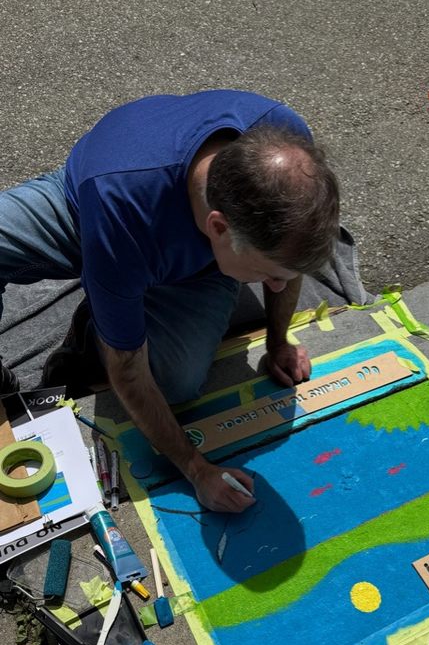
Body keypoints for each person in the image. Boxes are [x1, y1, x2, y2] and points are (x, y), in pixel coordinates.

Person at [0, 89, 341, 512]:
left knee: (177, 384)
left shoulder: (289, 146)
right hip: (90, 206)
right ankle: (97, 330)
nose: (275, 286)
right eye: (265, 275)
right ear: (218, 227)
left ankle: (112, 312)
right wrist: (196, 469)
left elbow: (286, 262)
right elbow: (128, 370)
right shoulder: (118, 207)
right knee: (127, 355)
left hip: (193, 256)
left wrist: (278, 342)